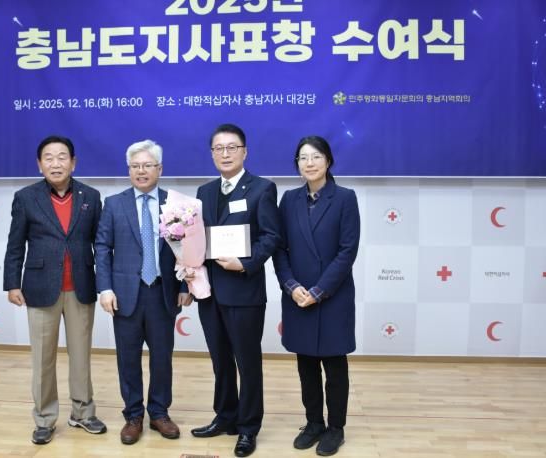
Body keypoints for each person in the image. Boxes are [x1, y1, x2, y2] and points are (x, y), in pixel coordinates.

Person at [3, 135, 107, 445]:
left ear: (73, 163)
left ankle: (83, 413)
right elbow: (15, 244)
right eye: (48, 158)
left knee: (81, 356)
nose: (55, 163)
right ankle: (45, 418)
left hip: (81, 287)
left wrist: (106, 284)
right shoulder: (26, 197)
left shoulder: (91, 196)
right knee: (42, 359)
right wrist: (12, 282)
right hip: (40, 289)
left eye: (62, 157)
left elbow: (100, 244)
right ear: (39, 165)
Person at [95, 140, 192, 445]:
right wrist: (105, 288)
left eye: (147, 165)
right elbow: (102, 248)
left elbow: (186, 249)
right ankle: (133, 415)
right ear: (129, 170)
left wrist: (185, 285)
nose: (141, 171)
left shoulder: (174, 204)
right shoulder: (114, 204)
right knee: (128, 358)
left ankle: (159, 413)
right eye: (135, 166)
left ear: (159, 169)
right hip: (126, 294)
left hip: (162, 293)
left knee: (162, 358)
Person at [191, 123, 280, 457]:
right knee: (220, 361)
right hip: (209, 292)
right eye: (219, 148)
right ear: (212, 154)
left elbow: (271, 236)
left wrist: (245, 263)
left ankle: (248, 427)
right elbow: (194, 239)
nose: (225, 154)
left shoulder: (262, 188)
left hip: (244, 291)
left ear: (245, 152)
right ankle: (225, 416)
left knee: (247, 362)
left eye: (232, 147)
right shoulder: (204, 191)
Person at [272, 136, 360, 456]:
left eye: (316, 156)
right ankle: (313, 423)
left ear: (328, 161)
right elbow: (279, 249)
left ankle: (336, 428)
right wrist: (291, 286)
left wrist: (319, 291)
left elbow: (347, 251)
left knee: (334, 367)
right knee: (306, 365)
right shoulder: (288, 200)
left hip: (332, 295)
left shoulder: (345, 198)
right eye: (303, 158)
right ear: (297, 164)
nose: (309, 163)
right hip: (298, 295)